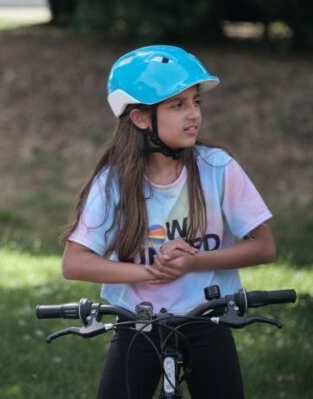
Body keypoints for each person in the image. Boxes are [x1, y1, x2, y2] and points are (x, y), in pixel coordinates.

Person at [61, 45, 276, 398]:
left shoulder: (217, 168)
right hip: (138, 323)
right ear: (141, 118)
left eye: (196, 102)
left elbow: (264, 246)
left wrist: (194, 262)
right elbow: (75, 262)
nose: (194, 114)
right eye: (178, 105)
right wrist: (152, 273)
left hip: (208, 318)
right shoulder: (113, 183)